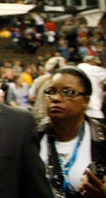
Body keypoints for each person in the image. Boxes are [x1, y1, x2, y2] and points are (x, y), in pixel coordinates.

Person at [37, 66, 106, 198]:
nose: (56, 98)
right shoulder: (30, 137)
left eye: (68, 92)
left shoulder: (102, 139)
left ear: (86, 101)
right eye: (50, 91)